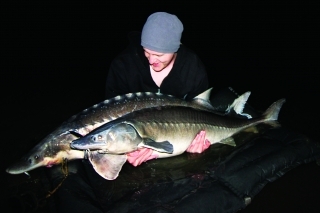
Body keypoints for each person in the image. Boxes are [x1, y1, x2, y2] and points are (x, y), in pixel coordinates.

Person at [105, 12, 212, 166]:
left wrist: (196, 142)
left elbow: (202, 113)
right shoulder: (123, 65)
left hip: (176, 137)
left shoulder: (192, 67)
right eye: (146, 52)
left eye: (159, 54)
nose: (152, 60)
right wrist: (126, 151)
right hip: (137, 134)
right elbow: (112, 116)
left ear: (175, 48)